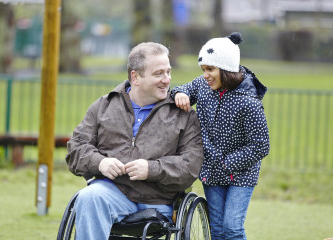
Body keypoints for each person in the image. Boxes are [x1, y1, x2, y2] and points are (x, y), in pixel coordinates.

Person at [65, 42, 204, 240]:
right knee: (88, 197)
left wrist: (151, 169)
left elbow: (191, 165)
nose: (167, 80)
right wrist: (100, 162)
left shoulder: (183, 114)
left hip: (158, 200)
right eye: (158, 74)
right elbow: (75, 149)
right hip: (113, 192)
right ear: (135, 77)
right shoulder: (104, 106)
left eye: (168, 72)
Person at [171, 32, 270, 239]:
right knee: (216, 228)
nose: (205, 74)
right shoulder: (203, 86)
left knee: (232, 228)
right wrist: (180, 93)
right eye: (203, 69)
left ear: (226, 69)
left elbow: (260, 146)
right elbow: (183, 89)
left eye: (210, 69)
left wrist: (227, 163)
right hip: (212, 171)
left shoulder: (249, 102)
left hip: (241, 174)